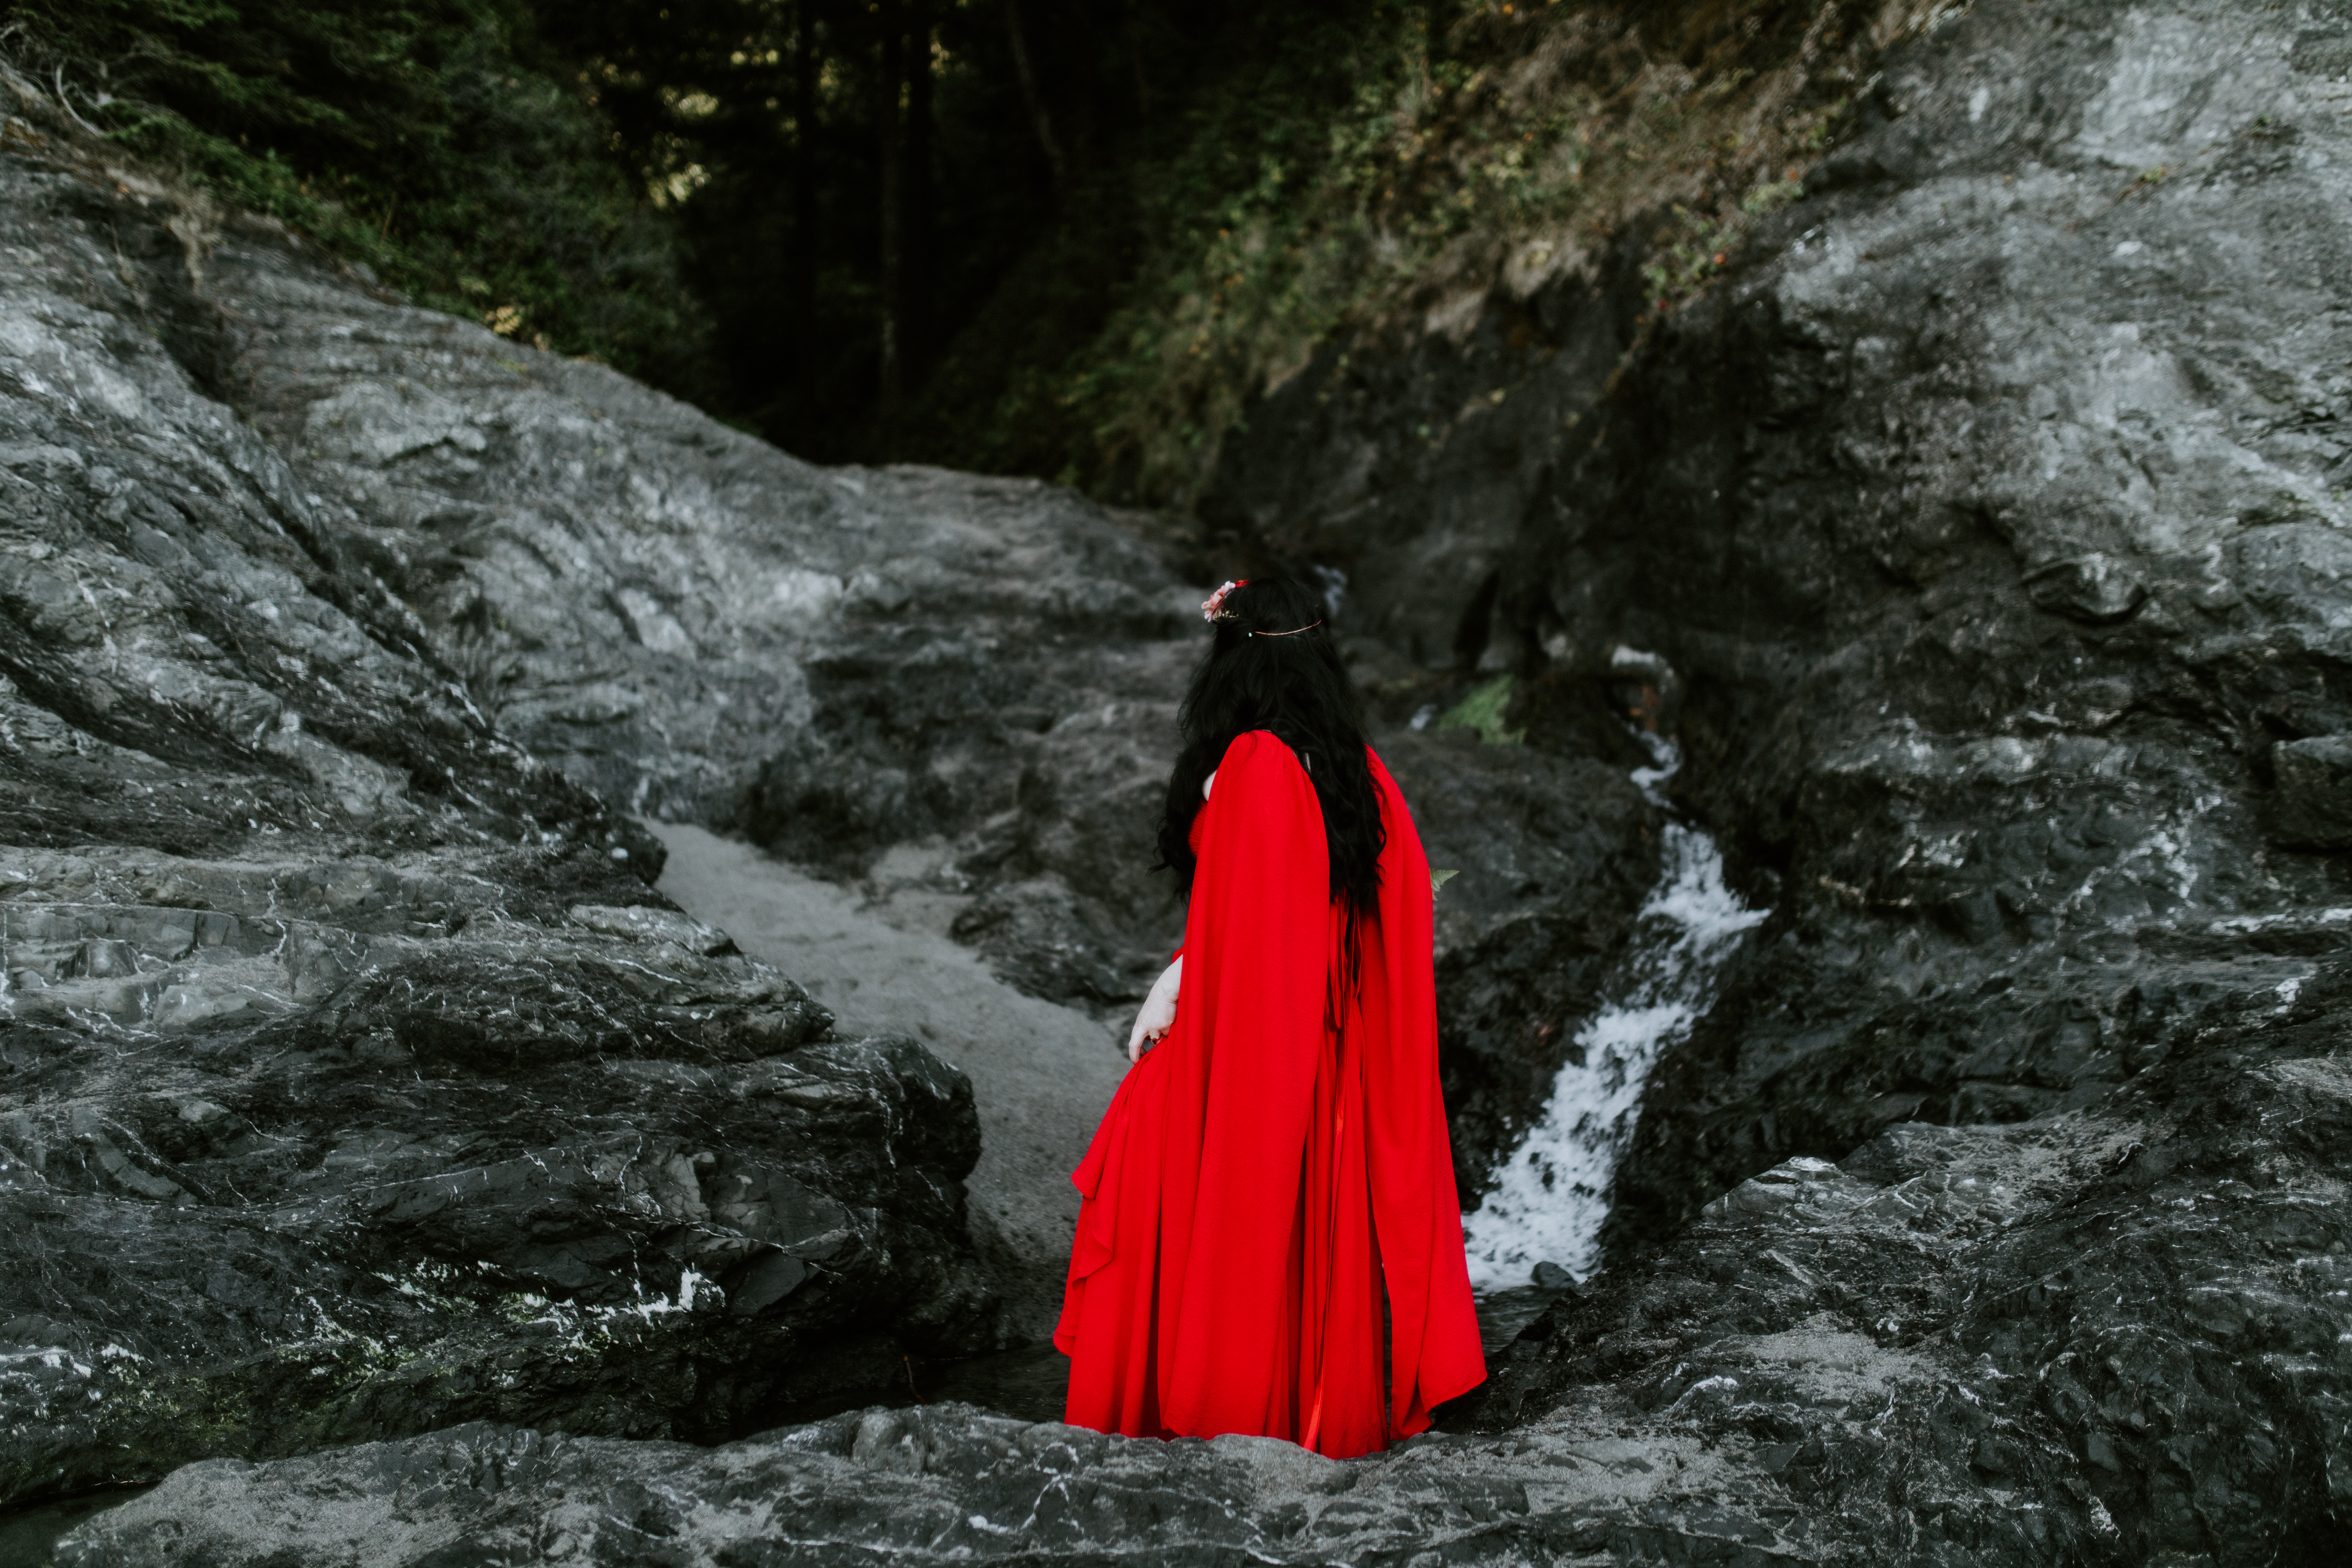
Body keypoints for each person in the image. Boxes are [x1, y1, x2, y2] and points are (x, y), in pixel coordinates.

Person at [1052, 575, 1486, 1458]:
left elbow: (1262, 939)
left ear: (1234, 661)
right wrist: (1186, 966)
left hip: (1260, 1042)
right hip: (1324, 1056)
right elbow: (1311, 914)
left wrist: (1185, 983)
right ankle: (1284, 1415)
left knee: (1141, 1182)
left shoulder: (1256, 764)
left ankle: (1181, 1418)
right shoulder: (1358, 769)